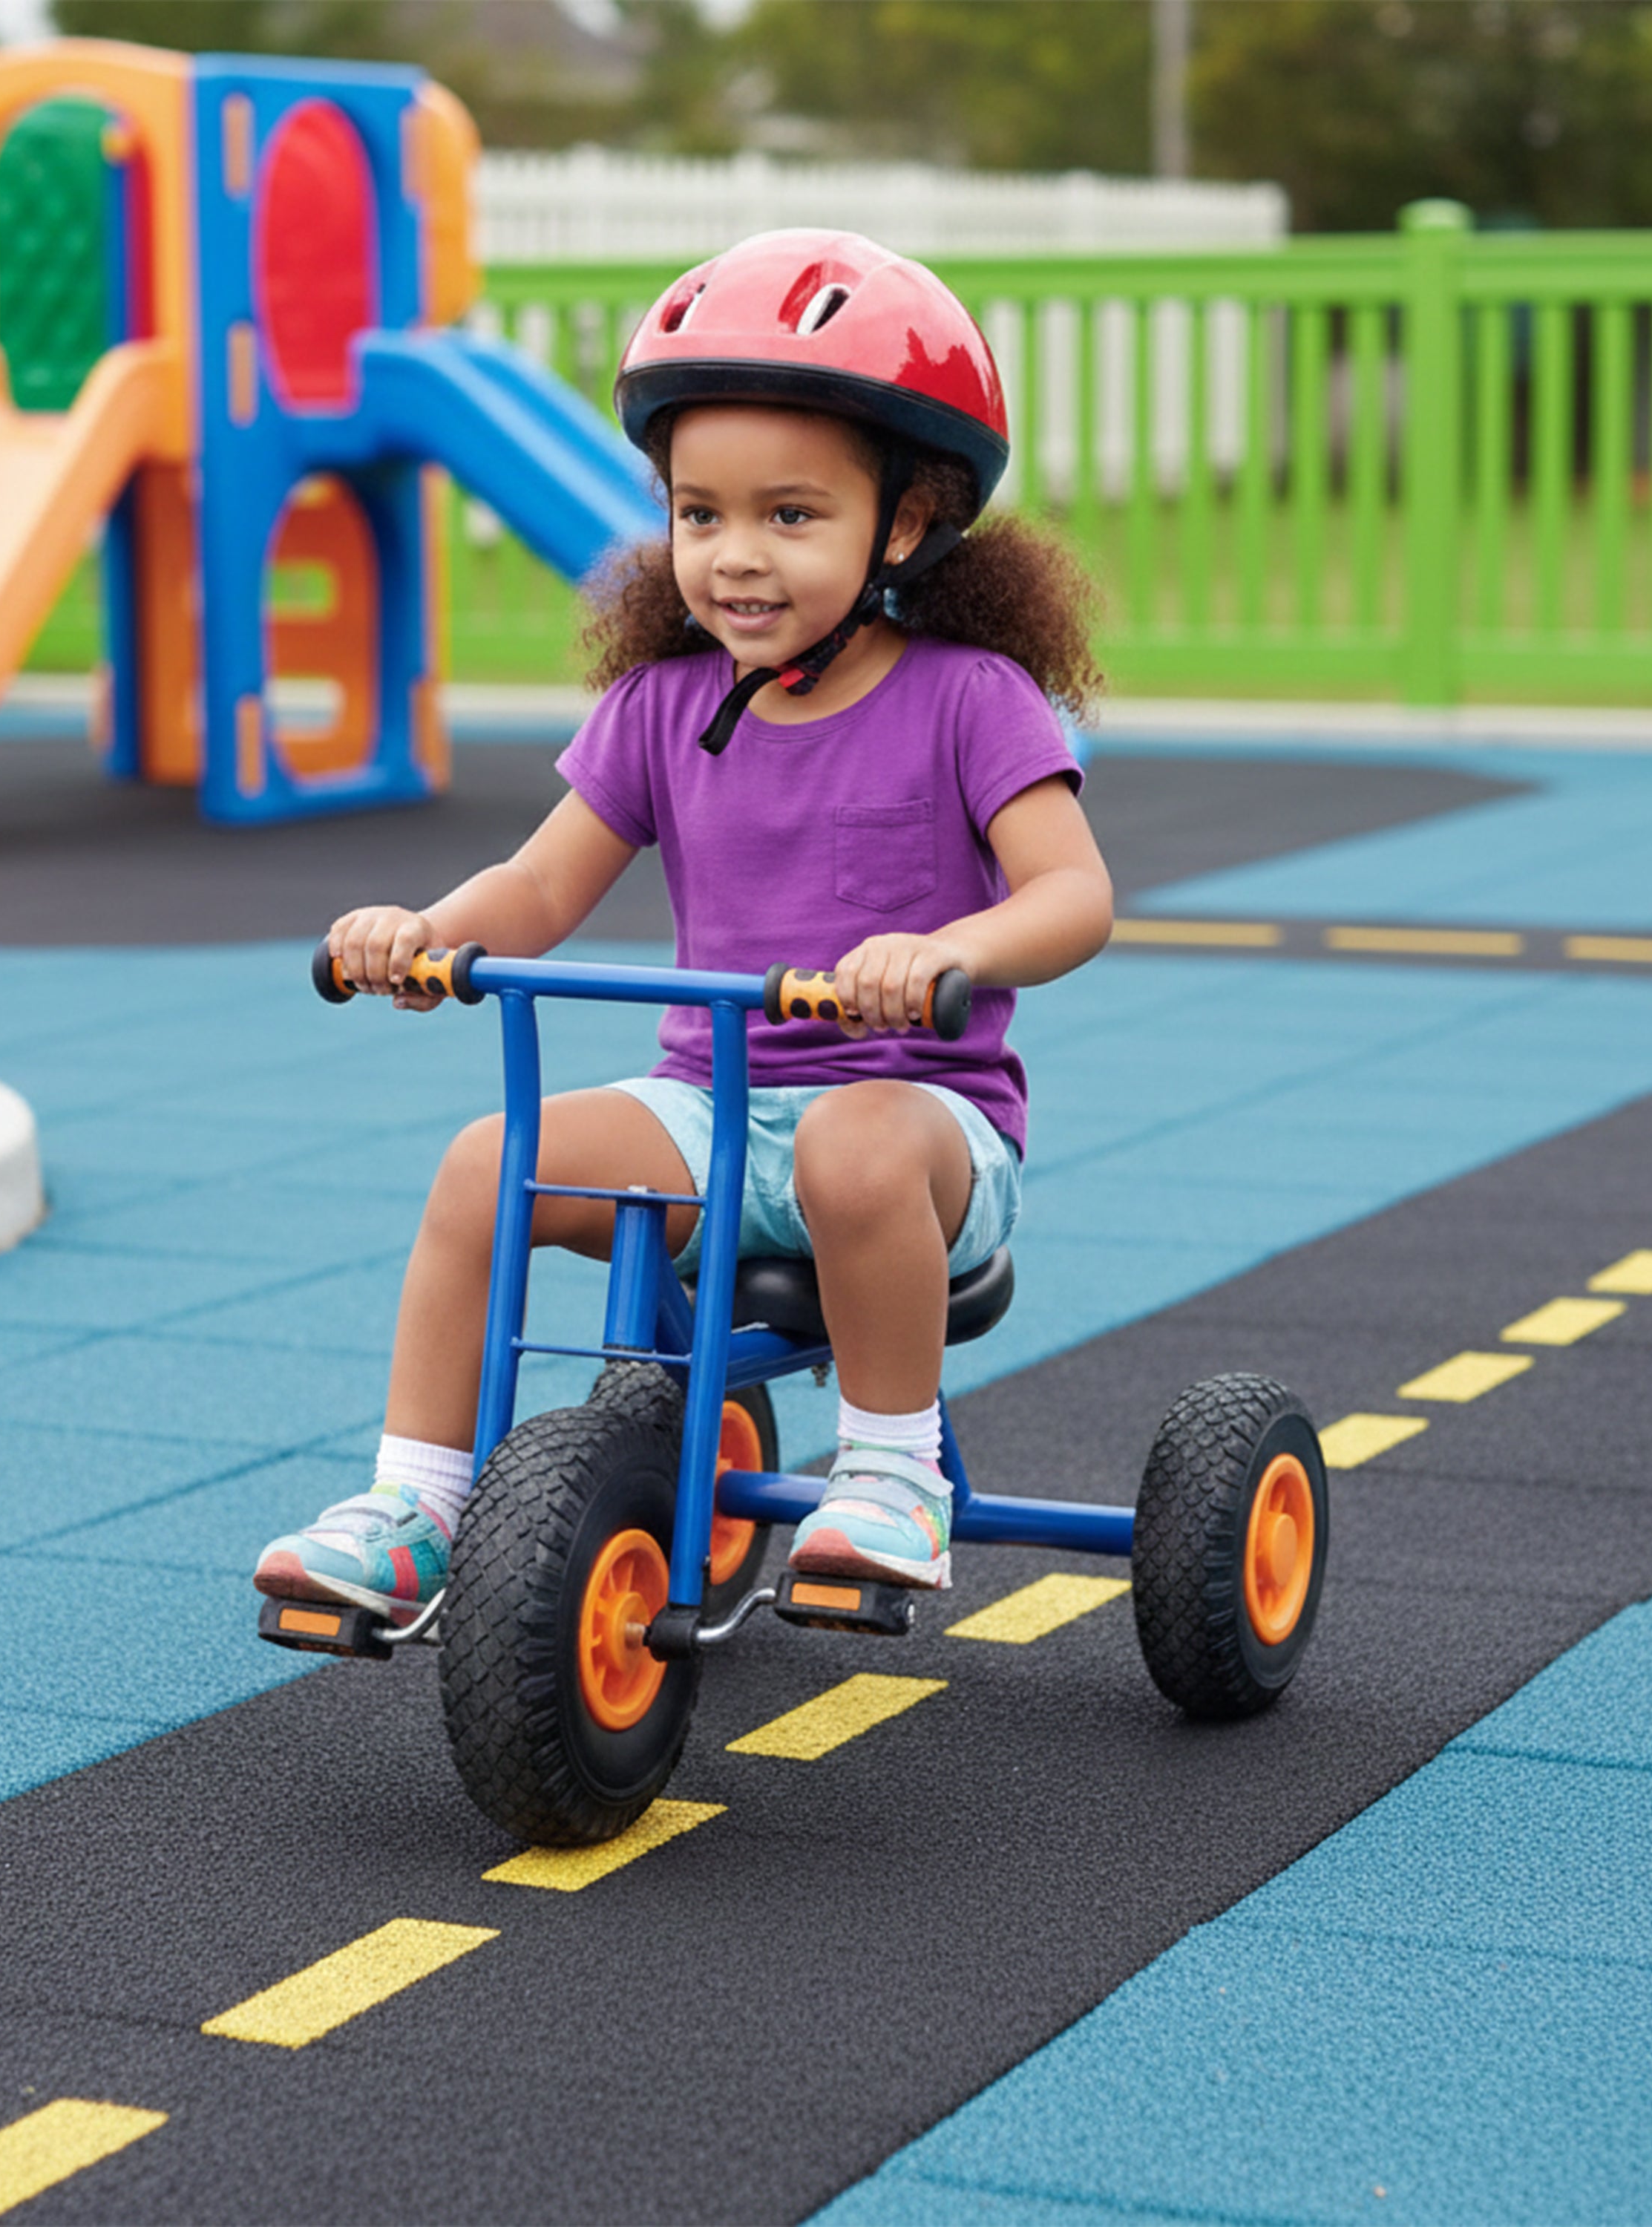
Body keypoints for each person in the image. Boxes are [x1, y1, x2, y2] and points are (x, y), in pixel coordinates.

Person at [256, 229, 1112, 1620]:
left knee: (851, 1141)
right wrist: (423, 932)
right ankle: (417, 1501)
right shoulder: (659, 708)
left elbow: (1073, 896)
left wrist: (948, 955)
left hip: (922, 1129)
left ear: (903, 520)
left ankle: (893, 1479)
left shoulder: (971, 699)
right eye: (699, 514)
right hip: (709, 1110)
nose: (734, 559)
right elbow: (538, 890)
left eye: (790, 515)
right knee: (488, 1163)